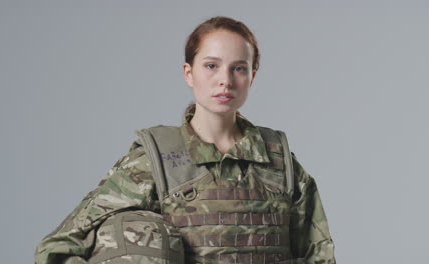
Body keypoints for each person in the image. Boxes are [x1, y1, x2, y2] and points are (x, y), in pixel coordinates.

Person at [34, 16, 336, 264]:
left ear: (252, 75)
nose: (225, 80)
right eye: (211, 66)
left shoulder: (280, 163)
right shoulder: (157, 159)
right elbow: (59, 247)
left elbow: (318, 255)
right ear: (188, 73)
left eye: (239, 68)